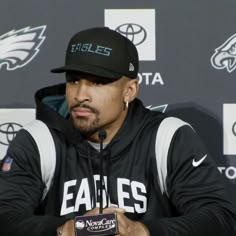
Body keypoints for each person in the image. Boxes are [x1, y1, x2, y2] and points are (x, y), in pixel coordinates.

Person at [0, 27, 235, 236]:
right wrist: (66, 229)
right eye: (73, 81)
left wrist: (141, 231)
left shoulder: (167, 137)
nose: (80, 95)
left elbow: (221, 217)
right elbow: (5, 215)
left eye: (98, 82)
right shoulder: (39, 139)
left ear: (130, 91)